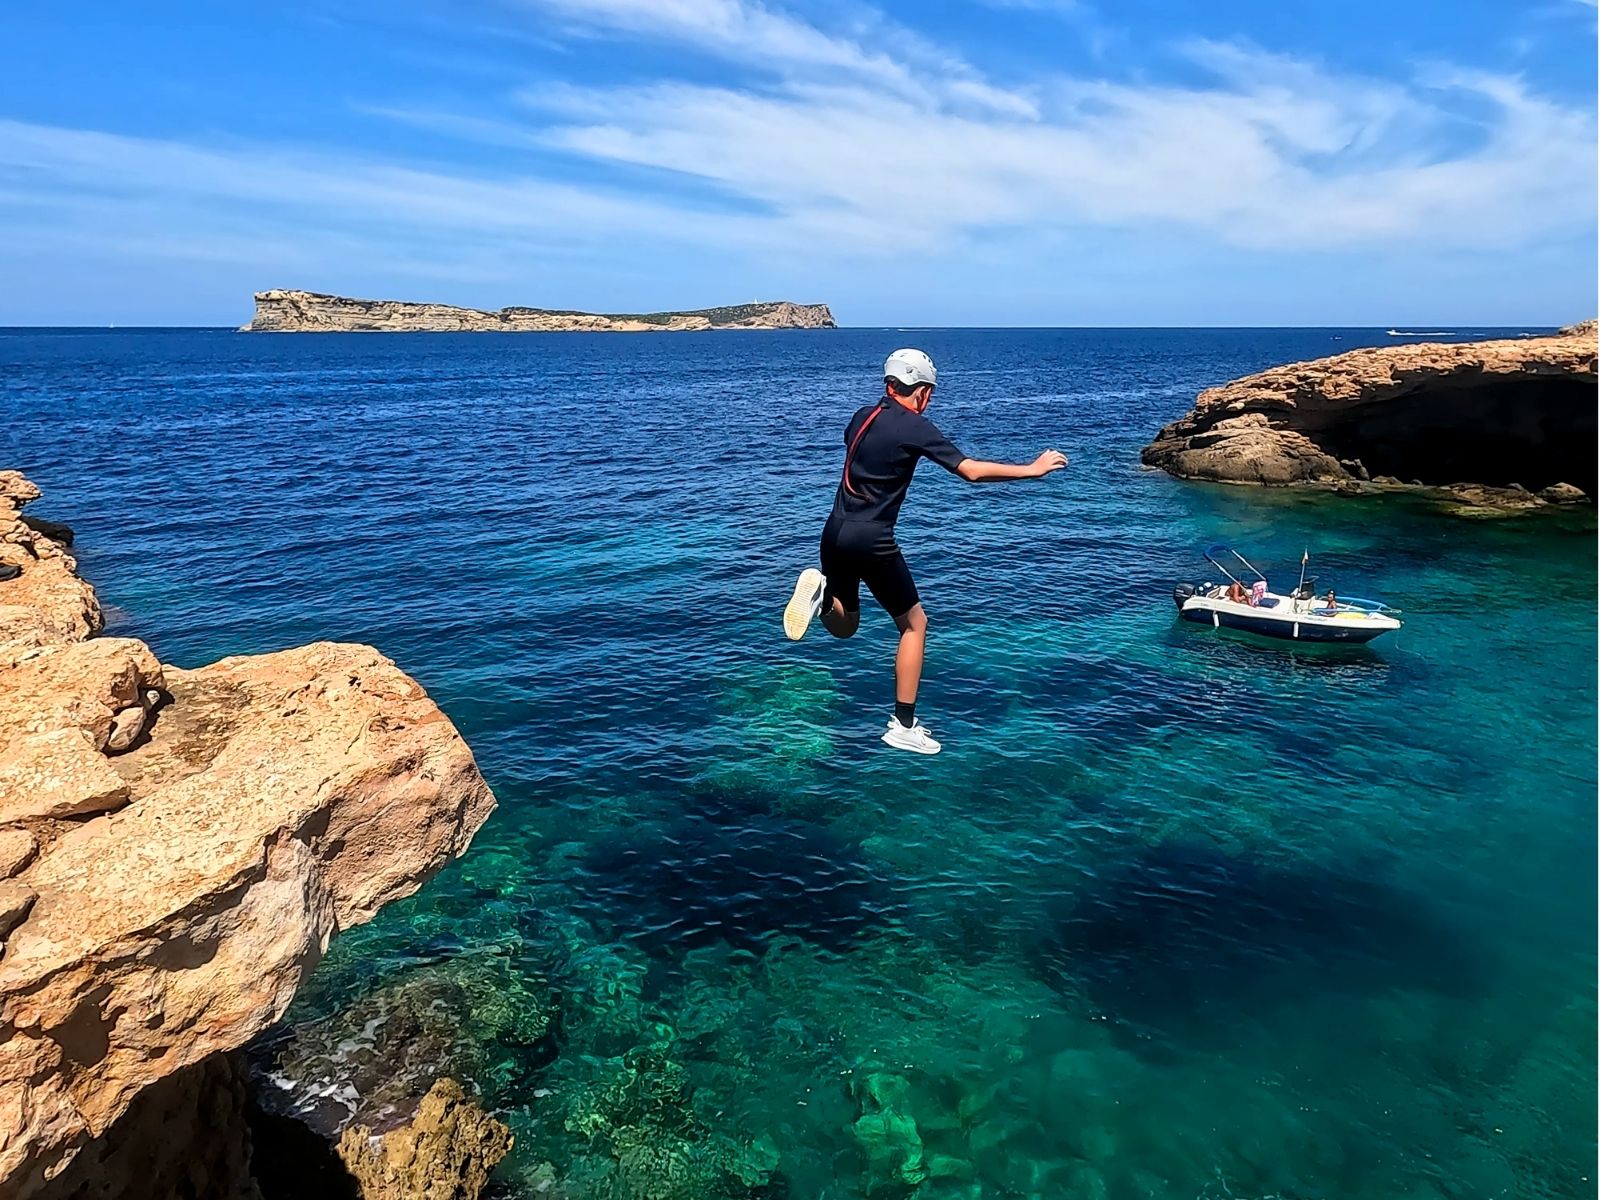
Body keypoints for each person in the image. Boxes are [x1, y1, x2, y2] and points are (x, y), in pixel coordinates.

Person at [781, 349, 1067, 755]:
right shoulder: (915, 426)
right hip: (872, 538)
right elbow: (970, 471)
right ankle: (903, 724)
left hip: (835, 532)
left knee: (846, 626)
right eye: (929, 392)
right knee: (915, 625)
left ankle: (822, 598)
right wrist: (1031, 469)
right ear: (923, 391)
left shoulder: (861, 416)